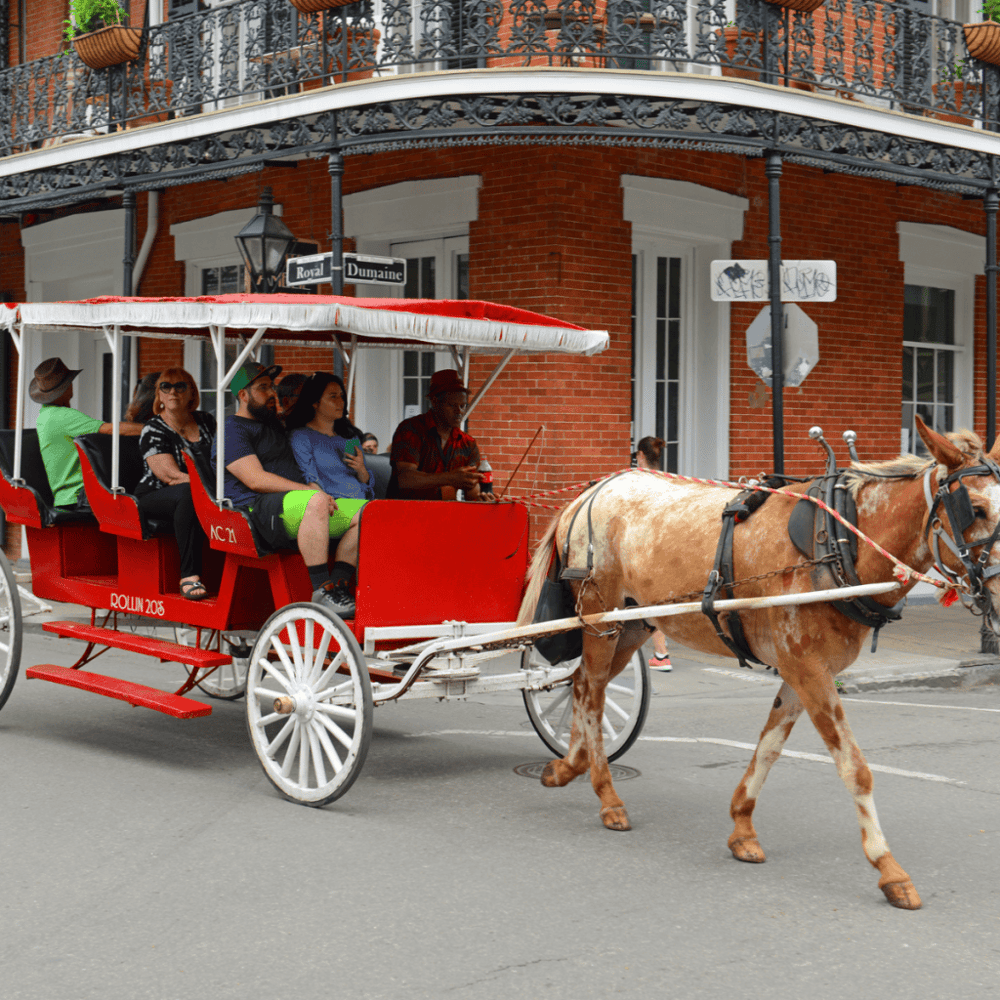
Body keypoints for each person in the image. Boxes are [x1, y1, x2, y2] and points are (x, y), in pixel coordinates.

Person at [212, 361, 361, 617]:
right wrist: (310, 492)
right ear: (243, 395)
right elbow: (255, 479)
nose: (272, 394)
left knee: (369, 513)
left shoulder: (275, 424)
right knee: (314, 501)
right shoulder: (232, 429)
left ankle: (338, 583)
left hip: (291, 505)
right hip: (253, 508)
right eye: (263, 388)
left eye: (272, 387)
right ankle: (320, 591)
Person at [134, 368, 216, 601]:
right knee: (190, 494)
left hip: (203, 490)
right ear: (159, 395)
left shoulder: (207, 421)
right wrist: (210, 487)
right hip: (155, 493)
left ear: (192, 393)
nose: (173, 392)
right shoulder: (153, 428)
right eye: (165, 387)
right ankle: (189, 576)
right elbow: (170, 475)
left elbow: (223, 459)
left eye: (180, 386)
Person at [31, 357, 143, 510]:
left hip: (66, 497)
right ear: (67, 387)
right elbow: (111, 430)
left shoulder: (45, 415)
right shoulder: (62, 416)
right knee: (140, 501)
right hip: (80, 497)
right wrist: (154, 429)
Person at [286, 372, 373, 553]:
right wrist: (322, 502)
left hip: (361, 503)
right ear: (315, 402)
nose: (340, 402)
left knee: (384, 516)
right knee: (377, 518)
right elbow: (309, 478)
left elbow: (364, 480)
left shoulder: (349, 436)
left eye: (341, 396)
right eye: (333, 397)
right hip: (332, 506)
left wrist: (361, 469)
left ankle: (339, 577)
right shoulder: (302, 436)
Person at [387, 369, 484, 500]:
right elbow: (405, 479)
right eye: (452, 405)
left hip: (445, 514)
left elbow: (472, 490)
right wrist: (449, 478)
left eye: (463, 406)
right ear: (435, 401)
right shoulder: (410, 429)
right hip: (406, 512)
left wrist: (482, 498)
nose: (459, 411)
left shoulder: (468, 443)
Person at [634, 435, 672, 672]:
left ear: (640, 456)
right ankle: (660, 653)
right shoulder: (668, 481)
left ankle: (661, 654)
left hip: (644, 548)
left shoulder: (638, 481)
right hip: (663, 545)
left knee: (647, 602)